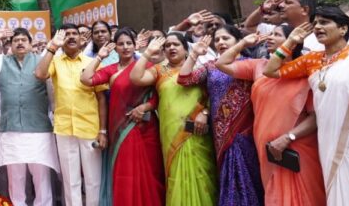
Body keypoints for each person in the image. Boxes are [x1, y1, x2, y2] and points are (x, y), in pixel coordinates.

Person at [264, 5, 349, 204]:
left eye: (325, 22)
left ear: (343, 29)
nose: (317, 27)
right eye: (316, 23)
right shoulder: (312, 60)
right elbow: (270, 70)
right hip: (328, 141)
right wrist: (290, 41)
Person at [215, 24, 325, 206]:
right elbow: (221, 64)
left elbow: (315, 117)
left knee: (304, 197)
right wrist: (243, 43)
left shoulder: (303, 71)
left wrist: (288, 137)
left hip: (297, 146)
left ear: (293, 41)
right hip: (267, 147)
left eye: (277, 34)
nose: (270, 37)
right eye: (270, 34)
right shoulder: (259, 66)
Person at [0, 28, 60, 206]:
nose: (20, 43)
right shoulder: (0, 62)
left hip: (38, 130)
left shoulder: (43, 61)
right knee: (15, 178)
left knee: (41, 178)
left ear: (31, 44)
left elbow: (53, 96)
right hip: (11, 130)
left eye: (23, 40)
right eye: (16, 40)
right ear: (10, 45)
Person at [177, 25, 263, 206]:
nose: (221, 42)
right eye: (217, 40)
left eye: (226, 38)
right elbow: (184, 79)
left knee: (249, 174)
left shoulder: (251, 64)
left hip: (246, 130)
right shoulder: (211, 66)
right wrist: (194, 54)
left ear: (237, 40)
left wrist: (241, 46)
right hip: (220, 133)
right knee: (228, 176)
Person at [130, 33, 217, 206]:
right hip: (171, 133)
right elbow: (136, 78)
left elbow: (212, 96)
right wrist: (147, 53)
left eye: (176, 44)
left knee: (202, 175)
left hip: (196, 131)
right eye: (167, 45)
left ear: (186, 48)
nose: (171, 48)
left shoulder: (200, 69)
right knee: (176, 174)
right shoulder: (159, 70)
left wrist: (205, 113)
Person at [81, 28, 165, 206]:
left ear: (135, 46)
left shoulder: (148, 67)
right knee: (126, 173)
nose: (125, 47)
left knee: (150, 173)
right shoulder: (111, 70)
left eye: (129, 43)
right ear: (115, 48)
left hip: (146, 127)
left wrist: (145, 106)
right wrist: (99, 57)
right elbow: (86, 79)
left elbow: (159, 94)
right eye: (120, 44)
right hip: (121, 129)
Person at [34, 24, 107, 206]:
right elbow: (40, 74)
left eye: (75, 33)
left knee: (93, 179)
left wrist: (103, 130)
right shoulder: (55, 61)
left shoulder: (92, 62)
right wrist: (52, 47)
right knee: (70, 180)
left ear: (82, 39)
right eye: (67, 34)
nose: (72, 37)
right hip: (64, 128)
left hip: (89, 126)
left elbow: (101, 98)